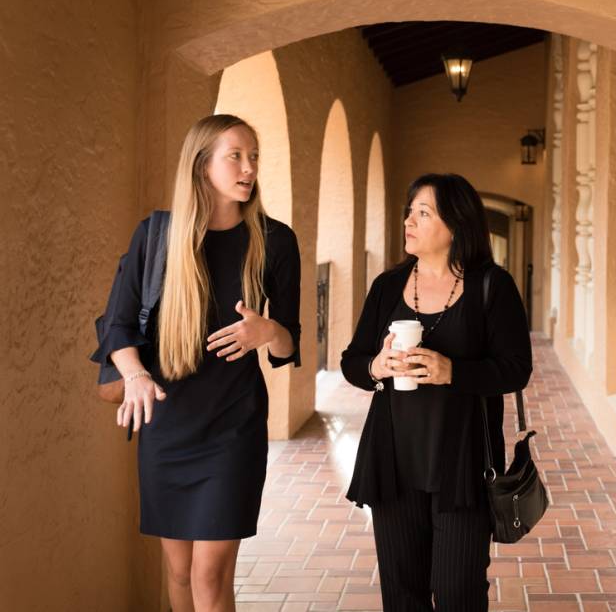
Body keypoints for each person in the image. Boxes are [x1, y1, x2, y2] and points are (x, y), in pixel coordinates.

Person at [96, 114, 301, 612]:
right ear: (201, 164)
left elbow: (289, 345)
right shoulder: (156, 236)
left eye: (254, 157)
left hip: (234, 428)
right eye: (236, 155)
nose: (249, 167)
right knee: (179, 573)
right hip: (168, 428)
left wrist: (266, 331)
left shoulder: (275, 240)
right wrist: (137, 376)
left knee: (209, 576)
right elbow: (115, 327)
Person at [341, 173, 533, 611]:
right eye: (409, 210)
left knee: (458, 593)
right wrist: (377, 366)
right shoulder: (387, 287)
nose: (408, 220)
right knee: (402, 593)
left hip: (462, 464)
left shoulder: (491, 286)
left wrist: (454, 372)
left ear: (456, 225)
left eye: (422, 212)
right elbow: (352, 362)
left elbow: (516, 370)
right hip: (392, 460)